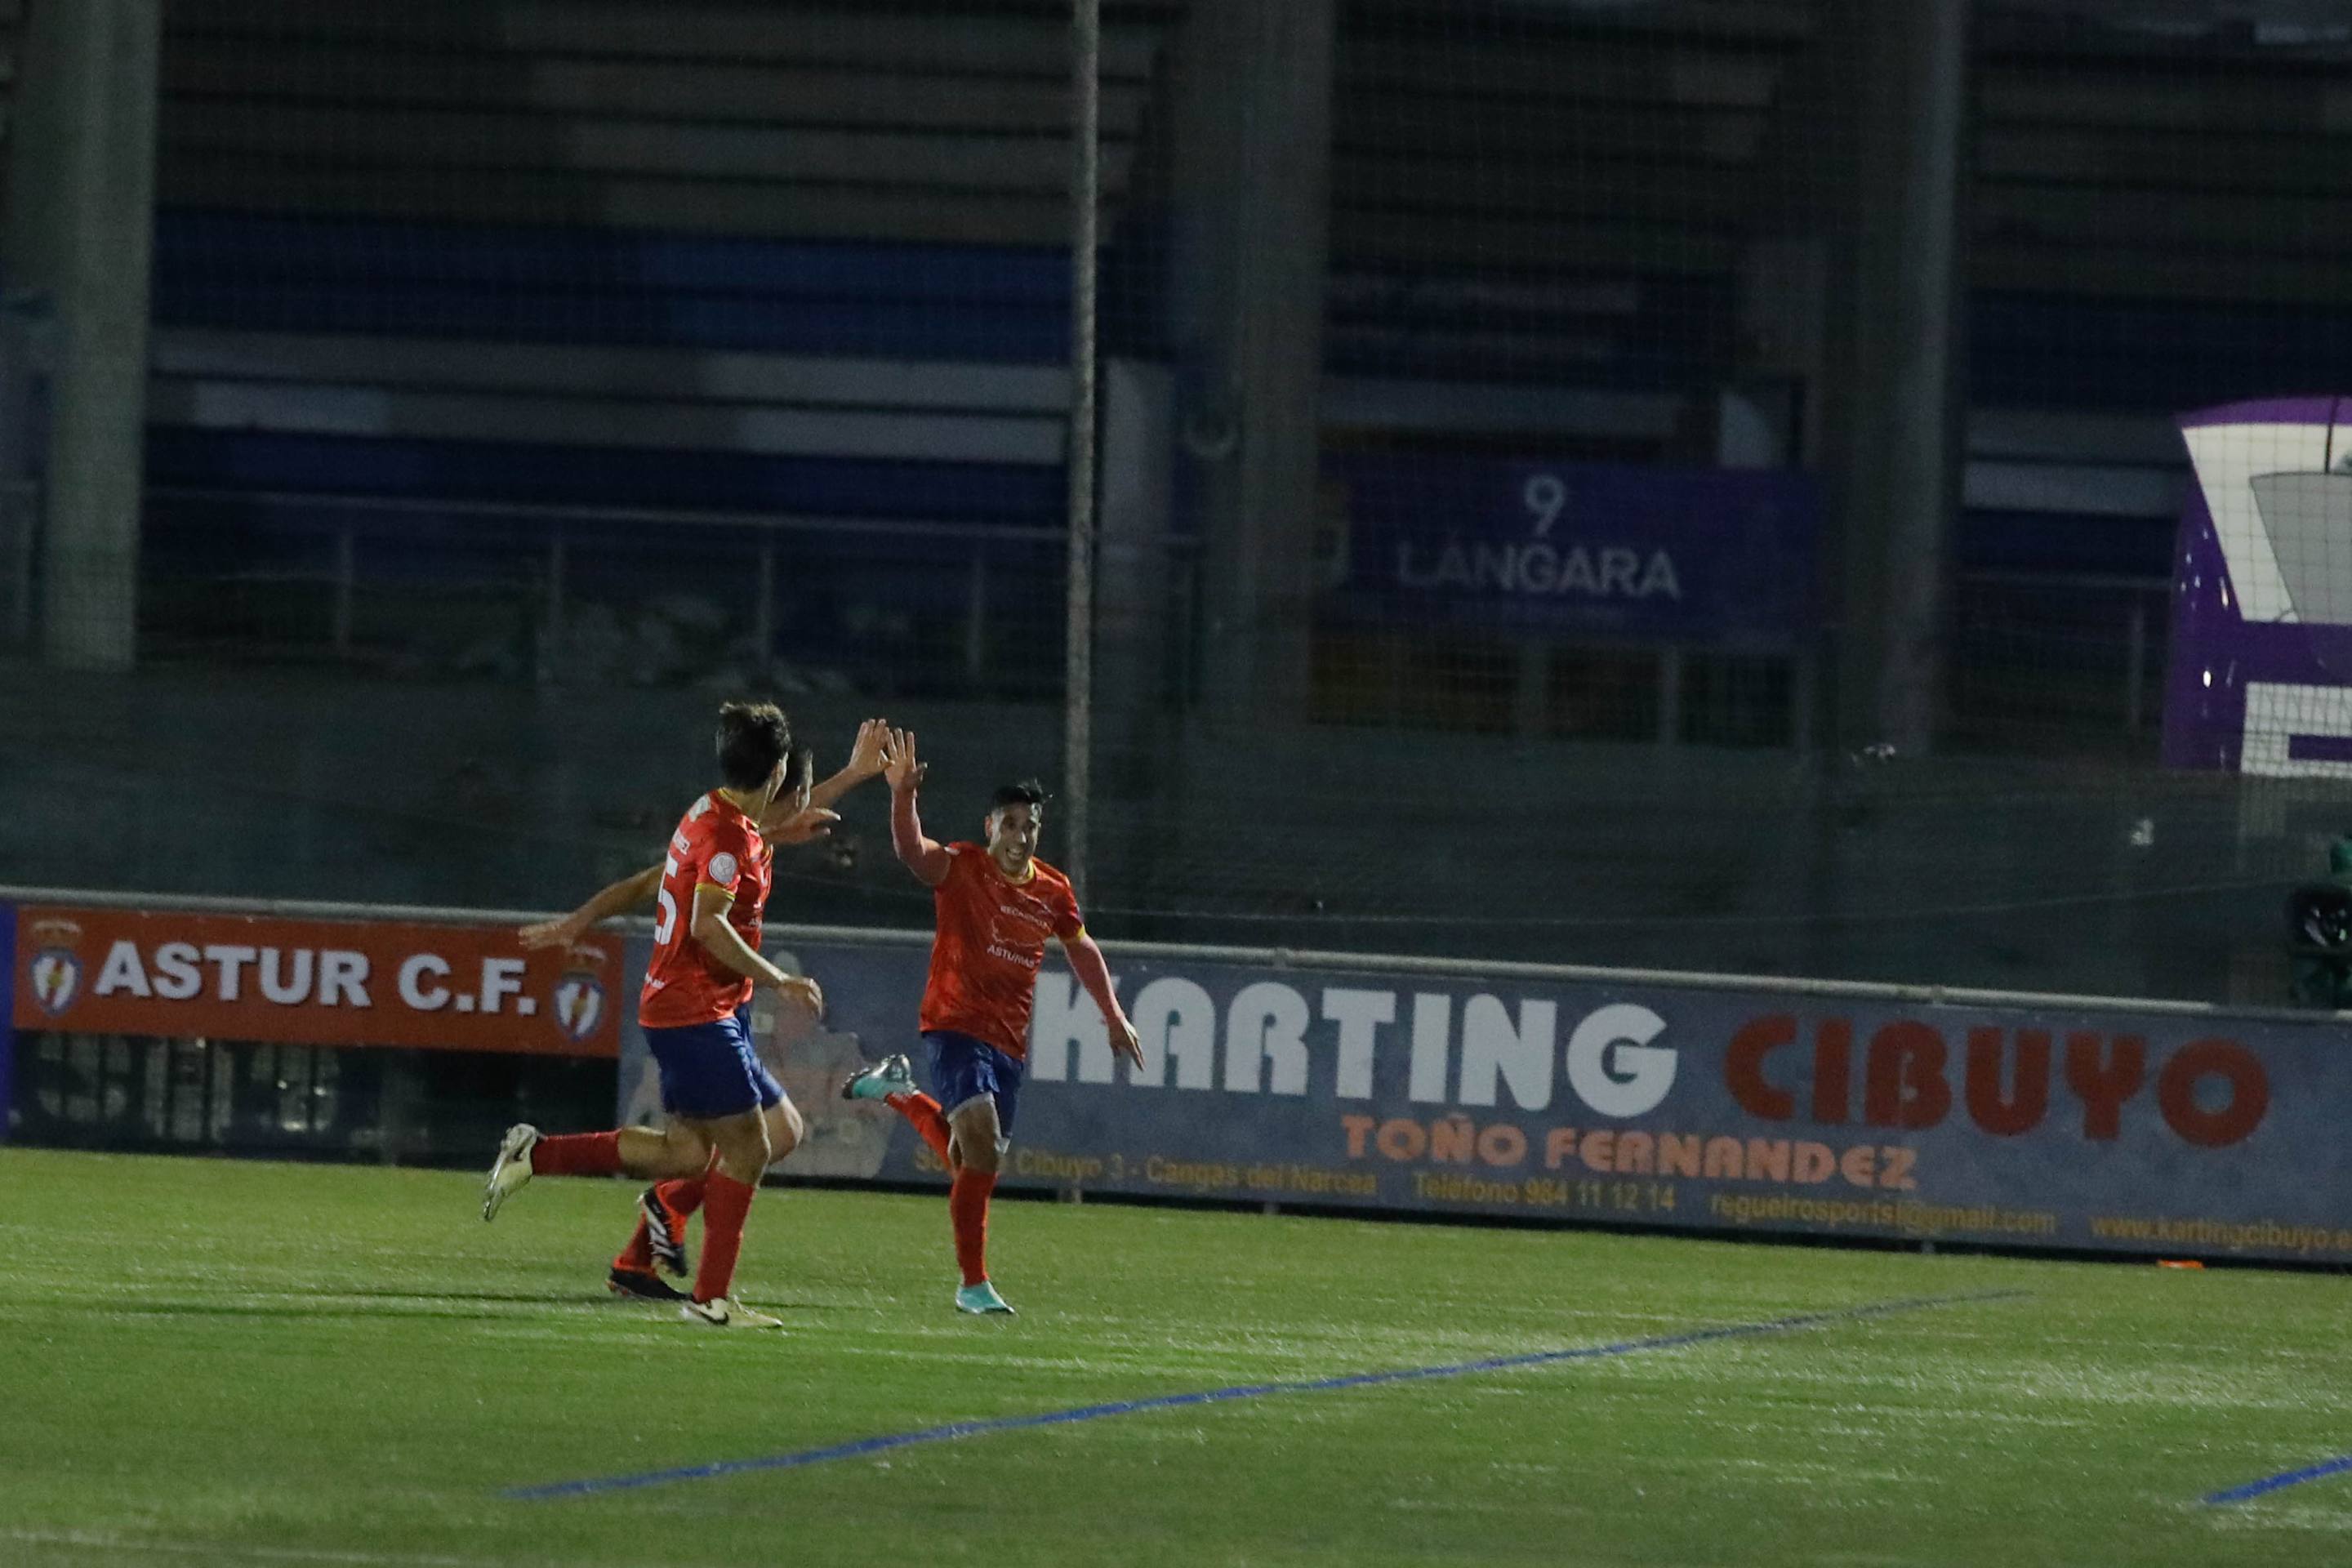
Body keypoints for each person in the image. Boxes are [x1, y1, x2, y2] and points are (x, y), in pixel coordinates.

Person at [518, 719, 891, 1303]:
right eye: (795, 793)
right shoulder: (729, 838)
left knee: (718, 1147)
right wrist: (778, 979)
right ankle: (709, 1296)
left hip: (715, 1008)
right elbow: (707, 923)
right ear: (774, 782)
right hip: (693, 1010)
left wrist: (851, 775)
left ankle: (631, 1247)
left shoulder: (719, 815)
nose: (802, 813)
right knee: (737, 1149)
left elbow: (652, 879)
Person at [841, 728, 1142, 1315]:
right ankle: (972, 1285)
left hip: (1008, 1041)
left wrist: (1113, 1013)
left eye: (1029, 826)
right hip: (954, 1025)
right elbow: (911, 851)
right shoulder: (963, 867)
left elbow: (1081, 948)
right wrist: (902, 796)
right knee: (979, 1146)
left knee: (969, 1160)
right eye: (1010, 824)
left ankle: (899, 1094)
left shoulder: (1053, 890)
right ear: (990, 828)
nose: (1020, 836)